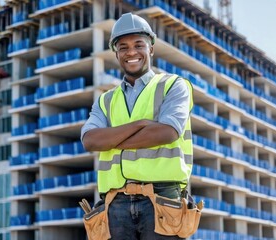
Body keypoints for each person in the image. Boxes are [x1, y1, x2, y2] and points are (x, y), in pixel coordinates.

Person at [81, 12, 199, 240]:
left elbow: (167, 132)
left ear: (151, 49)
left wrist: (112, 141)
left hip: (162, 199)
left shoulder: (174, 86)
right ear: (116, 53)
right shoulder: (106, 100)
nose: (131, 52)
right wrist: (141, 125)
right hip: (114, 204)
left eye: (138, 44)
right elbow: (90, 141)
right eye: (123, 47)